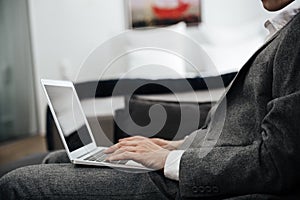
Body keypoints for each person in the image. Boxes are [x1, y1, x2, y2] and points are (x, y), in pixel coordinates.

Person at [1, 0, 300, 199]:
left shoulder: (297, 37)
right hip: (197, 159)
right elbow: (246, 128)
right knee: (57, 158)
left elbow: (277, 162)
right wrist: (176, 145)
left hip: (196, 181)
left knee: (15, 185)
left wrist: (169, 160)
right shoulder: (286, 28)